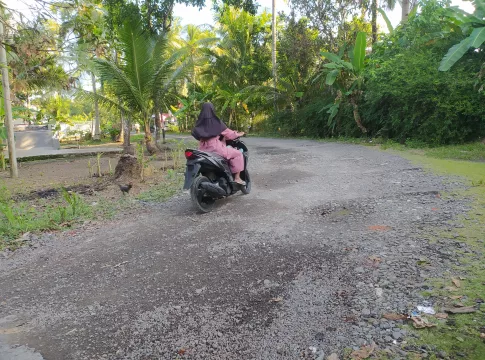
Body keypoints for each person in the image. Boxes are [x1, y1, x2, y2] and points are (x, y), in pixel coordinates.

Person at [192, 102, 246, 185]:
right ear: (212, 110)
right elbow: (230, 134)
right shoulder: (217, 122)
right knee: (238, 154)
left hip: (202, 150)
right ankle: (237, 178)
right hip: (216, 149)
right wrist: (239, 134)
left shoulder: (198, 123)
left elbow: (196, 135)